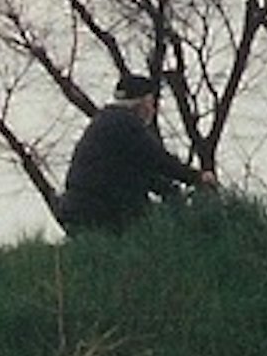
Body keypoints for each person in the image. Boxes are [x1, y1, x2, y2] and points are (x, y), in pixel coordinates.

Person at [57, 69, 214, 233]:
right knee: (153, 239)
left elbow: (141, 172)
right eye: (153, 103)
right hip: (101, 212)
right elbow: (158, 160)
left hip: (82, 207)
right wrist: (198, 177)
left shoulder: (107, 121)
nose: (154, 110)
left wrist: (171, 190)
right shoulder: (126, 124)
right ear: (143, 102)